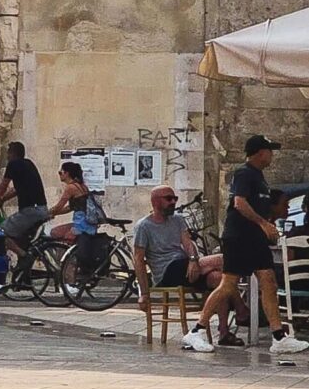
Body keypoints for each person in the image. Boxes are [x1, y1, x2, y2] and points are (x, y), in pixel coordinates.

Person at [184, 135, 309, 358]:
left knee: (268, 282)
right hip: (239, 237)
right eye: (269, 150)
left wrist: (266, 226)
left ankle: (279, 337)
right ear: (260, 152)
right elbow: (239, 203)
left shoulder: (260, 178)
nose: (272, 154)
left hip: (255, 239)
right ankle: (197, 330)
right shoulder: (244, 173)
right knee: (228, 285)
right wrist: (263, 223)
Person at [132, 184, 232, 339]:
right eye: (168, 199)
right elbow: (138, 259)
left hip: (185, 265)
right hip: (166, 271)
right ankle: (242, 309)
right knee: (222, 259)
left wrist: (193, 259)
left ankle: (224, 332)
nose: (173, 202)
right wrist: (144, 293)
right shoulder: (144, 226)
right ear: (155, 202)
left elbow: (187, 243)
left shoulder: (178, 220)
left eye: (175, 198)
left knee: (219, 279)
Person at [0, 141, 49, 282]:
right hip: (41, 209)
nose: (7, 156)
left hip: (31, 211)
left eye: (8, 153)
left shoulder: (13, 165)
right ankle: (24, 279)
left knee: (0, 233)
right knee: (22, 240)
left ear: (13, 153)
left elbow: (2, 187)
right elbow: (18, 189)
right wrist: (3, 200)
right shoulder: (28, 164)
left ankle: (24, 256)